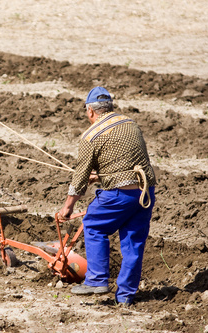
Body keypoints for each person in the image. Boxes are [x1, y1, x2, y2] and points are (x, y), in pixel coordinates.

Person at [57, 86, 156, 306]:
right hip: (145, 193)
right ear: (109, 107)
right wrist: (101, 176)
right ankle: (125, 297)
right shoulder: (130, 123)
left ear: (90, 111)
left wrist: (68, 207)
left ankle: (96, 280)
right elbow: (126, 160)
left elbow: (79, 177)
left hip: (120, 195)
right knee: (133, 243)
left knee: (93, 225)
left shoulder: (91, 136)